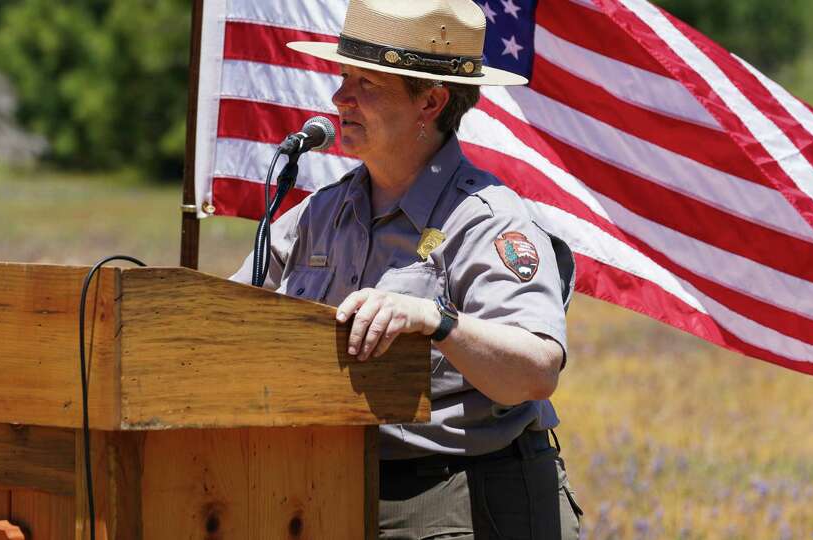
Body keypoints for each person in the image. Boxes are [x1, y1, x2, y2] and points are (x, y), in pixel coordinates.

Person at [231, 0, 581, 538]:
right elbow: (227, 320)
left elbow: (536, 372)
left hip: (465, 497)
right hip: (328, 487)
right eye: (344, 76)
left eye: (366, 84)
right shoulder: (320, 213)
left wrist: (434, 320)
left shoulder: (488, 221)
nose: (338, 98)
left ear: (432, 101)